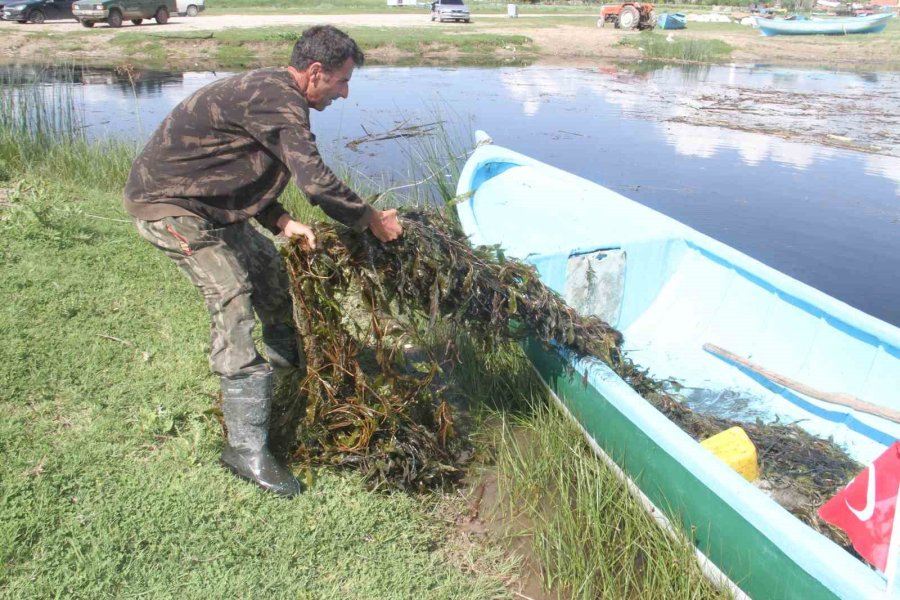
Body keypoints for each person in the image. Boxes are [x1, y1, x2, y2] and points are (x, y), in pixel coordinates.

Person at [123, 25, 402, 498]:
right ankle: (246, 447)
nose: (345, 93)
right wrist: (370, 218)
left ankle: (290, 368)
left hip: (205, 204)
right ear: (315, 72)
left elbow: (230, 167)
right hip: (168, 207)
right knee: (232, 293)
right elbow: (315, 182)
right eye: (341, 81)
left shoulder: (272, 92)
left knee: (270, 274)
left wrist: (281, 222)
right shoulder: (278, 99)